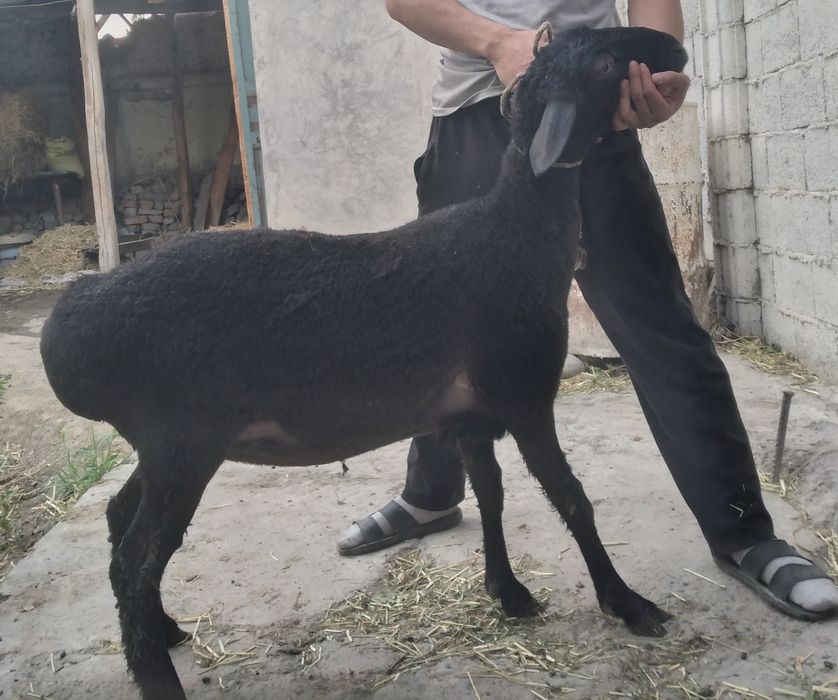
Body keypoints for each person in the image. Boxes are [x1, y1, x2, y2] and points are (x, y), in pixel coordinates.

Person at [338, 0, 838, 620]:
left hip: (593, 107)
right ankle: (432, 493)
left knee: (657, 323)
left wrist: (654, 70)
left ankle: (744, 532)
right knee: (444, 332)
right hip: (473, 111)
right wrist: (496, 43)